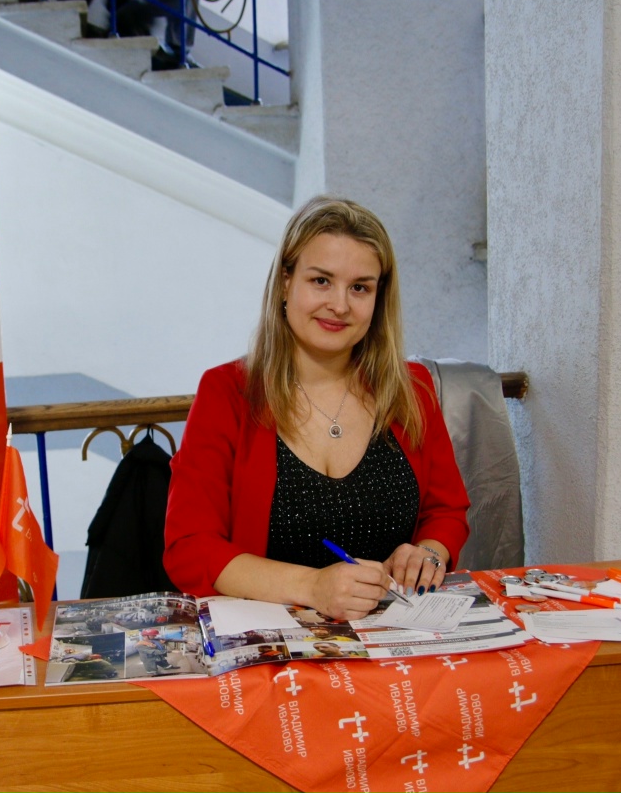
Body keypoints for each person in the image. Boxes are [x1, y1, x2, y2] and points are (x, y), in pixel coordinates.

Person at [163, 196, 470, 622]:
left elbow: (446, 512)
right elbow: (190, 548)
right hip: (270, 641)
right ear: (285, 282)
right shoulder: (227, 392)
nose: (340, 305)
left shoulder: (412, 388)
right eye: (321, 281)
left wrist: (428, 553)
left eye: (360, 287)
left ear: (379, 298)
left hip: (395, 634)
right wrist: (313, 587)